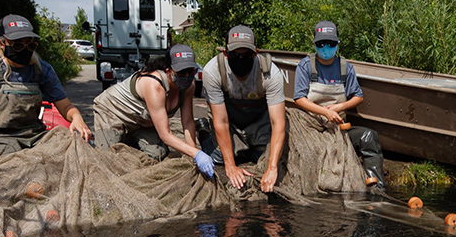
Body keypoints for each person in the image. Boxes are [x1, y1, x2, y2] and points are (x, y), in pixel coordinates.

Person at [0, 14, 92, 184]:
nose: (25, 50)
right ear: (2, 43)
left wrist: (77, 118)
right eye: (18, 45)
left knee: (71, 153)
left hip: (35, 135)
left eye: (30, 45)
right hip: (1, 138)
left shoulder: (42, 69)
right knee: (13, 175)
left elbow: (65, 106)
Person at [92, 44, 214, 177]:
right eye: (181, 72)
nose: (186, 76)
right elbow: (165, 134)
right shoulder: (154, 84)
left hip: (142, 122)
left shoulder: (189, 86)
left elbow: (188, 122)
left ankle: (128, 138)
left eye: (191, 72)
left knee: (157, 154)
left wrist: (193, 155)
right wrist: (196, 154)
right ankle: (101, 138)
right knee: (110, 161)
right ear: (168, 70)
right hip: (113, 112)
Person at [292, 20, 385, 189]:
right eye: (321, 44)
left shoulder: (345, 68)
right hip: (310, 128)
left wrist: (338, 108)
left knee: (369, 137)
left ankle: (378, 189)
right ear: (314, 44)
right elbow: (299, 98)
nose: (326, 48)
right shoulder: (305, 66)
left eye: (330, 43)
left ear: (337, 44)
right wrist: (324, 112)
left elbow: (358, 96)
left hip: (338, 129)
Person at [199, 24, 286, 192]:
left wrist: (272, 168)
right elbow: (221, 121)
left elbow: (278, 123)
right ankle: (203, 131)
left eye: (246, 55)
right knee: (218, 158)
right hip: (228, 119)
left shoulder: (270, 73)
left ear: (255, 54)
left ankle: (247, 147)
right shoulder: (213, 71)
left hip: (258, 119)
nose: (240, 58)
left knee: (264, 156)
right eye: (234, 54)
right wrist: (230, 165)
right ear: (225, 53)